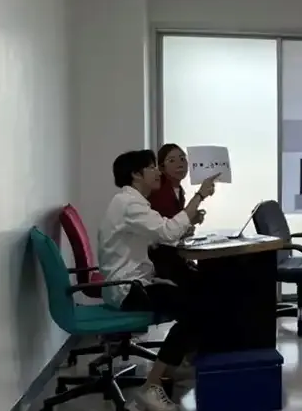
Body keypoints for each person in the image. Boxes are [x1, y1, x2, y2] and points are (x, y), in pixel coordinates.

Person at [98, 149, 218, 411]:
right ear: (136, 174)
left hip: (134, 282)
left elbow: (161, 235)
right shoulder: (129, 204)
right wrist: (199, 196)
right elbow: (167, 231)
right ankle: (153, 385)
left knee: (201, 298)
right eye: (152, 167)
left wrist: (185, 223)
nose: (157, 172)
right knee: (197, 309)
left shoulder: (131, 202)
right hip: (127, 289)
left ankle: (170, 370)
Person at [148, 143, 201, 286]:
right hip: (160, 258)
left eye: (183, 159)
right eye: (172, 160)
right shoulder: (159, 190)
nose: (180, 164)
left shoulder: (179, 191)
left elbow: (177, 224)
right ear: (161, 168)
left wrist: (190, 223)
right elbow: (167, 231)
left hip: (173, 253)